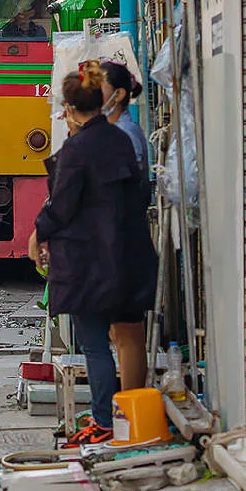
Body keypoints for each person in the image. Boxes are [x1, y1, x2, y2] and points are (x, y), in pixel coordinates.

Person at [29, 61, 156, 446]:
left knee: (96, 345)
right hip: (127, 256)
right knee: (123, 336)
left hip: (89, 263)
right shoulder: (121, 139)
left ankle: (103, 421)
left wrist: (38, 234)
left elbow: (62, 206)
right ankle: (124, 419)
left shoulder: (77, 149)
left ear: (68, 108)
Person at [98, 61, 152, 394]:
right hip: (118, 239)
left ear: (118, 94)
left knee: (127, 332)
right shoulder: (116, 132)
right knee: (119, 332)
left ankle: (130, 409)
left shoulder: (125, 135)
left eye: (98, 85)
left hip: (123, 241)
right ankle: (126, 408)